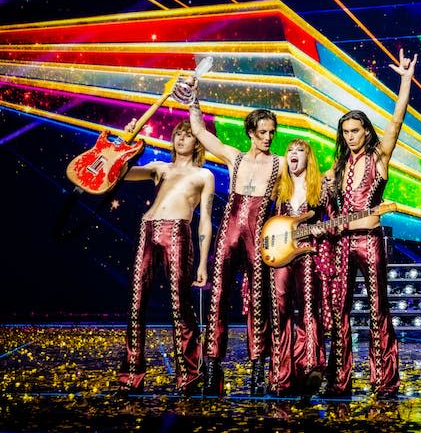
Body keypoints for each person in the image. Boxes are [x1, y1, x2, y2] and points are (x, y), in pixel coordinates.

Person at [324, 49, 417, 398]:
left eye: (356, 130)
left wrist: (405, 81)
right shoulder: (338, 166)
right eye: (345, 131)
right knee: (339, 311)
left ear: (366, 131)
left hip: (369, 240)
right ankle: (340, 380)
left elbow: (397, 121)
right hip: (342, 244)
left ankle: (384, 381)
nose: (350, 136)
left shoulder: (380, 156)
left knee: (378, 308)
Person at [188, 92, 281, 396]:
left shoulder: (279, 164)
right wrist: (193, 103)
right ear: (251, 133)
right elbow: (200, 132)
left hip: (258, 238)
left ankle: (257, 370)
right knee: (218, 299)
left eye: (271, 132)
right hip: (229, 234)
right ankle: (212, 365)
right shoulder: (235, 157)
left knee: (258, 303)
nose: (268, 137)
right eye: (263, 132)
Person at [117, 119, 214, 395]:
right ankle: (131, 376)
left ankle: (189, 376)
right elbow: (122, 173)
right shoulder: (159, 168)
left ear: (197, 141)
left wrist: (203, 261)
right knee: (136, 305)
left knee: (179, 306)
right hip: (148, 230)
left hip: (178, 233)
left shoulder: (203, 175)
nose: (181, 139)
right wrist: (127, 143)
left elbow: (204, 219)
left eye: (187, 135)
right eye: (178, 135)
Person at [268, 139, 332, 397]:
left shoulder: (320, 189)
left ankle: (310, 367)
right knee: (281, 309)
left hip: (308, 253)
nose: (294, 154)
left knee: (308, 307)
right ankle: (282, 372)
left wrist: (322, 231)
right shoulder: (278, 188)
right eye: (290, 151)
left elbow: (333, 220)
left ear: (309, 158)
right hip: (281, 254)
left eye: (300, 151)